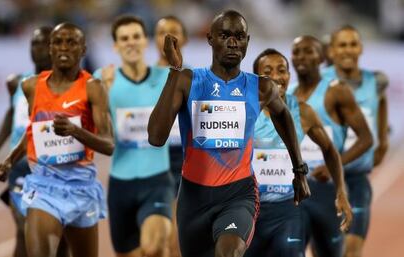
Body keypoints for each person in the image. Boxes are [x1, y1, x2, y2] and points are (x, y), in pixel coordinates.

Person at [148, 10, 310, 257]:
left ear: (247, 41)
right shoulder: (188, 80)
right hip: (193, 198)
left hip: (238, 194)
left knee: (228, 253)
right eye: (225, 35)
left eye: (239, 36)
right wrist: (174, 70)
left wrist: (299, 170)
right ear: (210, 39)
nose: (233, 42)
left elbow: (283, 115)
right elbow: (156, 137)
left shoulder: (260, 87)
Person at [0, 22, 114, 257]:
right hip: (43, 186)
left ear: (83, 49)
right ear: (50, 48)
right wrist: (8, 160)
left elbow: (109, 145)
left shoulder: (93, 88)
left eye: (72, 42)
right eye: (58, 42)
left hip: (81, 188)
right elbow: (33, 133)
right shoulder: (31, 86)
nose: (64, 47)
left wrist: (76, 131)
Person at [245, 48, 352, 257]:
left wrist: (340, 191)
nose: (276, 76)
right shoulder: (245, 110)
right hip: (248, 211)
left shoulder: (302, 112)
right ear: (257, 78)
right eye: (268, 71)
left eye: (282, 70)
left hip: (287, 210)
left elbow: (330, 149)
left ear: (289, 75)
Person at [94, 15, 173, 257]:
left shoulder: (165, 77)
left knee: (155, 248)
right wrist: (103, 94)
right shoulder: (102, 79)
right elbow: (100, 135)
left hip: (157, 181)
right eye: (124, 38)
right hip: (120, 184)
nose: (131, 42)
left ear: (145, 41)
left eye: (136, 36)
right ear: (115, 46)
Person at [288, 35, 373, 257]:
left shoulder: (336, 91)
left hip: (326, 189)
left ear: (321, 57)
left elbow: (366, 139)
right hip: (294, 190)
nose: (302, 57)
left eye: (309, 51)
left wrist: (332, 166)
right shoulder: (288, 93)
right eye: (297, 52)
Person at [0, 26, 71, 257]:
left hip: (56, 167)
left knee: (60, 237)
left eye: (45, 44)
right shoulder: (17, 82)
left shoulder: (67, 85)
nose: (39, 49)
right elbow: (11, 112)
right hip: (22, 166)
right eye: (34, 44)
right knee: (24, 227)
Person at [323, 25, 389, 257]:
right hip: (325, 183)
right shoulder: (319, 83)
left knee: (352, 249)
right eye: (342, 45)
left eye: (353, 44)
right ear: (331, 51)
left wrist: (383, 140)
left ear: (360, 48)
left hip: (358, 179)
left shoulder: (376, 81)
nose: (348, 50)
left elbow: (380, 103)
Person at [154, 15, 188, 257]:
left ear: (184, 38)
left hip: (183, 158)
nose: (168, 37)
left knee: (177, 237)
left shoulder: (192, 77)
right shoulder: (142, 76)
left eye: (174, 31)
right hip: (153, 159)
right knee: (155, 240)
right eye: (162, 32)